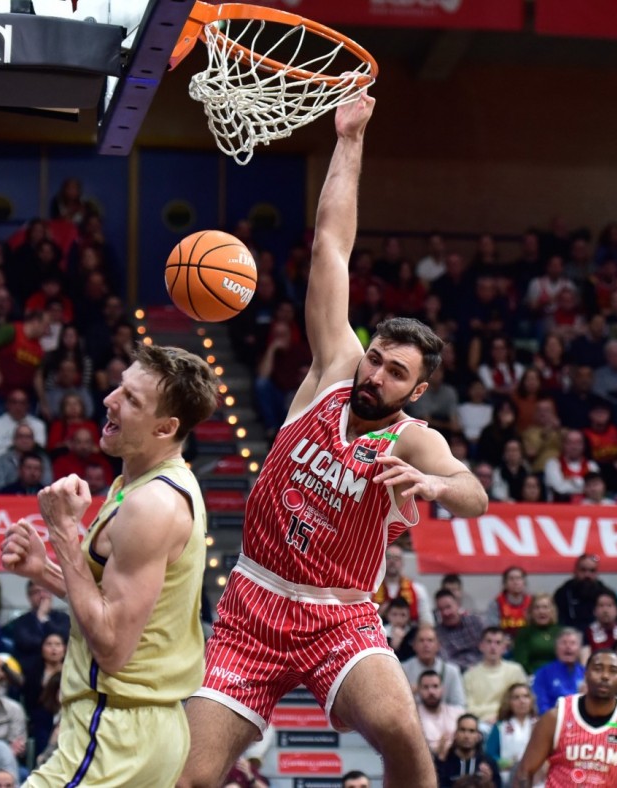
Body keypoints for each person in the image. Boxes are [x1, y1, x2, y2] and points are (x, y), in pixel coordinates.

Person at [176, 94, 485, 788]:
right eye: (377, 356)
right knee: (187, 778)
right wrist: (349, 139)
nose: (375, 372)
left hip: (338, 618)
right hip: (250, 607)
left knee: (404, 732)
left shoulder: (413, 441)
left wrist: (437, 486)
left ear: (417, 390)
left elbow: (475, 496)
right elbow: (332, 247)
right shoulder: (332, 372)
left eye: (395, 371)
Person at [0, 343, 219, 787]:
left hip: (116, 732)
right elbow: (114, 600)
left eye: (132, 399)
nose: (109, 400)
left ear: (166, 427)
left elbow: (114, 646)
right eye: (120, 386)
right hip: (135, 730)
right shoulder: (137, 483)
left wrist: (63, 533)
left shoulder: (151, 504)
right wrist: (44, 572)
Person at [513, 650, 617, 787]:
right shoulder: (556, 717)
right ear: (585, 674)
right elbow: (524, 772)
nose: (605, 676)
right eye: (598, 669)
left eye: (613, 671)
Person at [464, 629, 528, 726]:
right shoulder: (469, 675)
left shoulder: (515, 670)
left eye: (498, 643)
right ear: (481, 646)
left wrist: (501, 716)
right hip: (481, 723)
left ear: (504, 648)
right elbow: (468, 708)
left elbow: (523, 702)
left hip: (511, 720)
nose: (493, 647)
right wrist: (490, 716)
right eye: (489, 642)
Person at [437, 714, 501, 788]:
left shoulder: (488, 763)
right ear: (455, 734)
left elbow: (498, 785)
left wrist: (488, 782)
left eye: (472, 731)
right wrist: (441, 758)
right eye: (462, 730)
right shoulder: (444, 762)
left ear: (478, 736)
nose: (466, 736)